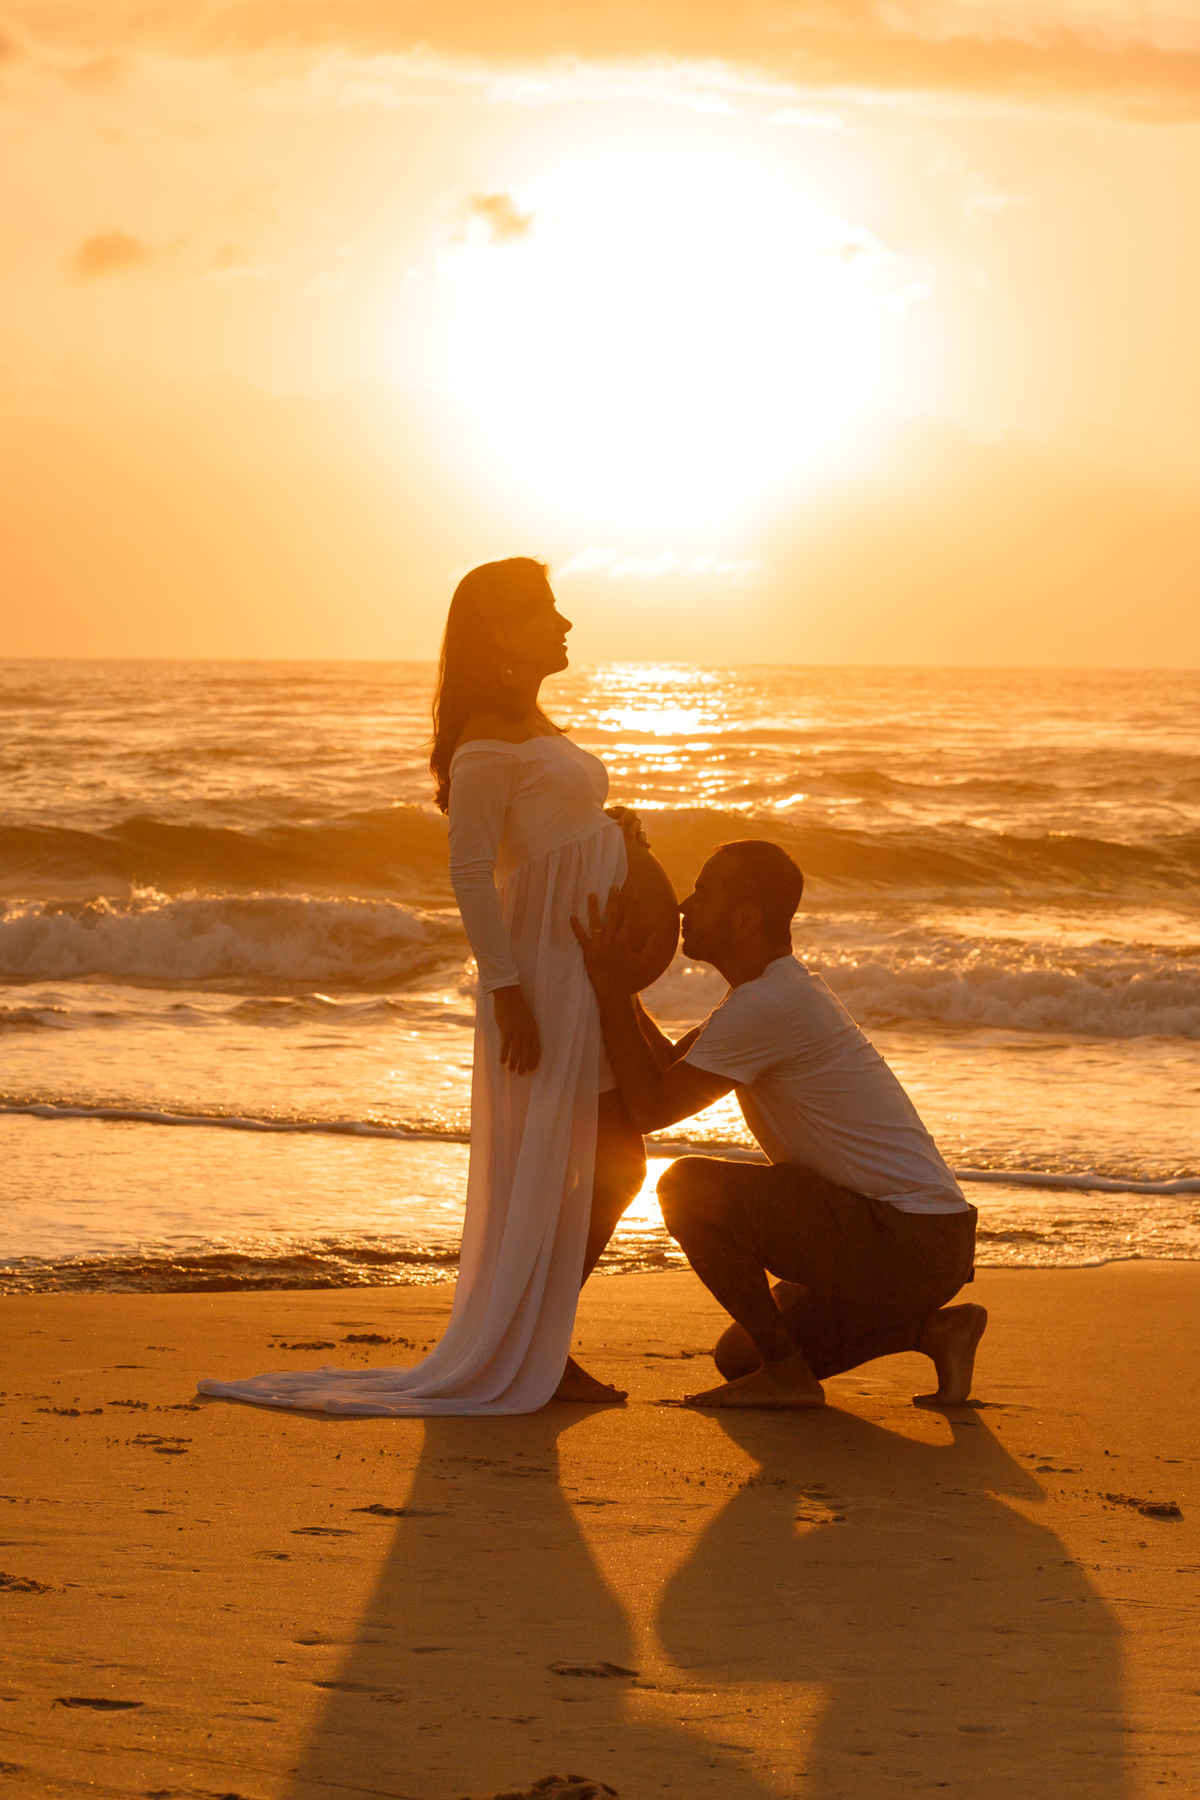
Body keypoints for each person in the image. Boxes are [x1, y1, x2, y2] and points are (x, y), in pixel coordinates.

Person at [199, 558, 678, 1418]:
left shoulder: (533, 723)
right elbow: (469, 875)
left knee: (607, 1160)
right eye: (546, 611)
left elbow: (552, 839)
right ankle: (537, 1348)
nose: (566, 623)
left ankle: (539, 1343)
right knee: (595, 1163)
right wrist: (506, 990)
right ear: (500, 632)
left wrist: (615, 833)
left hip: (581, 972)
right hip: (544, 975)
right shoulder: (487, 741)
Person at [572, 838, 986, 1410]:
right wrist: (624, 989)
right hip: (924, 1241)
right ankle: (935, 1331)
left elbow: (650, 1108)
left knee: (684, 1188)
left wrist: (613, 990)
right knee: (740, 1357)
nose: (686, 907)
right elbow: (665, 1070)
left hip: (905, 1241)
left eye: (703, 892)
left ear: (745, 920)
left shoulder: (766, 1007)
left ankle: (790, 1375)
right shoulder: (773, 994)